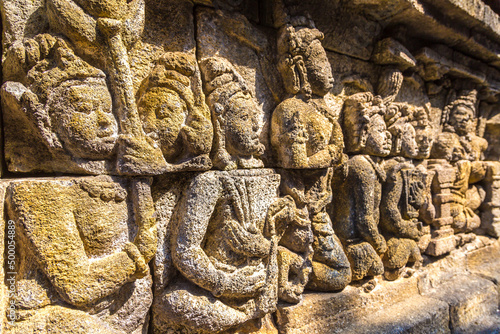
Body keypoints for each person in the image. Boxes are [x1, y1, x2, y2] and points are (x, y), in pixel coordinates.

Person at [152, 57, 292, 333]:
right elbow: (184, 250)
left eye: (257, 119)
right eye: (245, 118)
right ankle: (238, 321)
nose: (255, 127)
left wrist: (266, 245)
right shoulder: (210, 182)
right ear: (222, 123)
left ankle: (243, 318)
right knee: (171, 303)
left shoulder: (270, 177)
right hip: (217, 285)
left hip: (259, 280)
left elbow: (274, 240)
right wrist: (224, 283)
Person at [6, 176, 156, 334]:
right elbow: (77, 285)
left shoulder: (135, 183)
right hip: (59, 317)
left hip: (128, 313)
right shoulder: (38, 192)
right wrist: (135, 258)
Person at [270, 15, 351, 302]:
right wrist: (332, 151)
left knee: (343, 268)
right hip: (302, 208)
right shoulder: (292, 109)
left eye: (327, 60)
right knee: (341, 273)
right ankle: (282, 265)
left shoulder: (321, 109)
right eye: (321, 60)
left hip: (320, 205)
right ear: (301, 68)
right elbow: (297, 162)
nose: (329, 69)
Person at [331, 92, 392, 281]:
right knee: (379, 269)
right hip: (353, 241)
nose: (388, 136)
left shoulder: (370, 164)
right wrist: (378, 242)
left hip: (362, 237)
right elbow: (364, 218)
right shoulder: (361, 166)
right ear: (365, 133)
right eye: (381, 130)